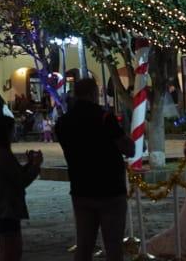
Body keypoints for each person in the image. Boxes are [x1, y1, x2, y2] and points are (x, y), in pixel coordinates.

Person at [57, 76, 133, 261]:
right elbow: (127, 148)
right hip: (110, 189)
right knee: (113, 244)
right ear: (94, 93)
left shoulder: (63, 123)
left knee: (84, 244)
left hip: (81, 188)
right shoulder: (104, 117)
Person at [0, 115, 43, 260]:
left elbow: (14, 174)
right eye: (12, 130)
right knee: (11, 251)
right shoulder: (1, 154)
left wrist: (29, 164)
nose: (13, 134)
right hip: (6, 207)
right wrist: (35, 166)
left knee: (8, 249)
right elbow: (20, 180)